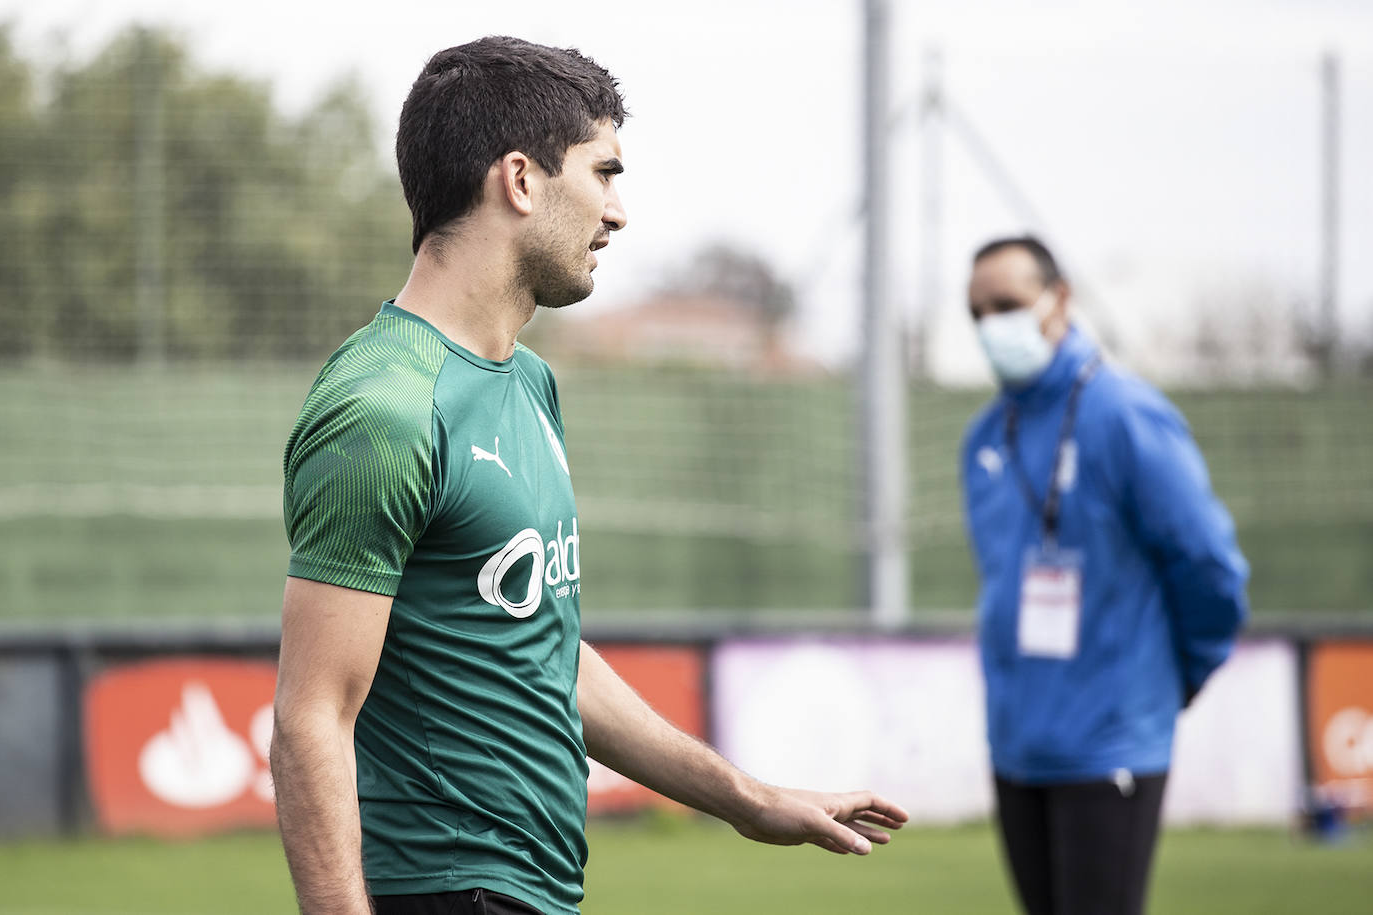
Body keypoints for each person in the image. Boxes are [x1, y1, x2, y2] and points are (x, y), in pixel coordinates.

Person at [269, 36, 908, 915]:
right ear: (522, 180)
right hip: (447, 890)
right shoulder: (384, 408)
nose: (616, 211)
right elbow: (312, 717)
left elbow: (546, 653)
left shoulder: (528, 380)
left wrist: (749, 799)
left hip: (535, 892)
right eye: (603, 173)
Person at [958, 236, 1248, 915]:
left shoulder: (1125, 414)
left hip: (1108, 738)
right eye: (977, 312)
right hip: (1017, 744)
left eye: (1007, 303)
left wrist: (1173, 679)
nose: (991, 324)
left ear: (1060, 300)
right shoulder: (984, 437)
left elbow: (1209, 565)